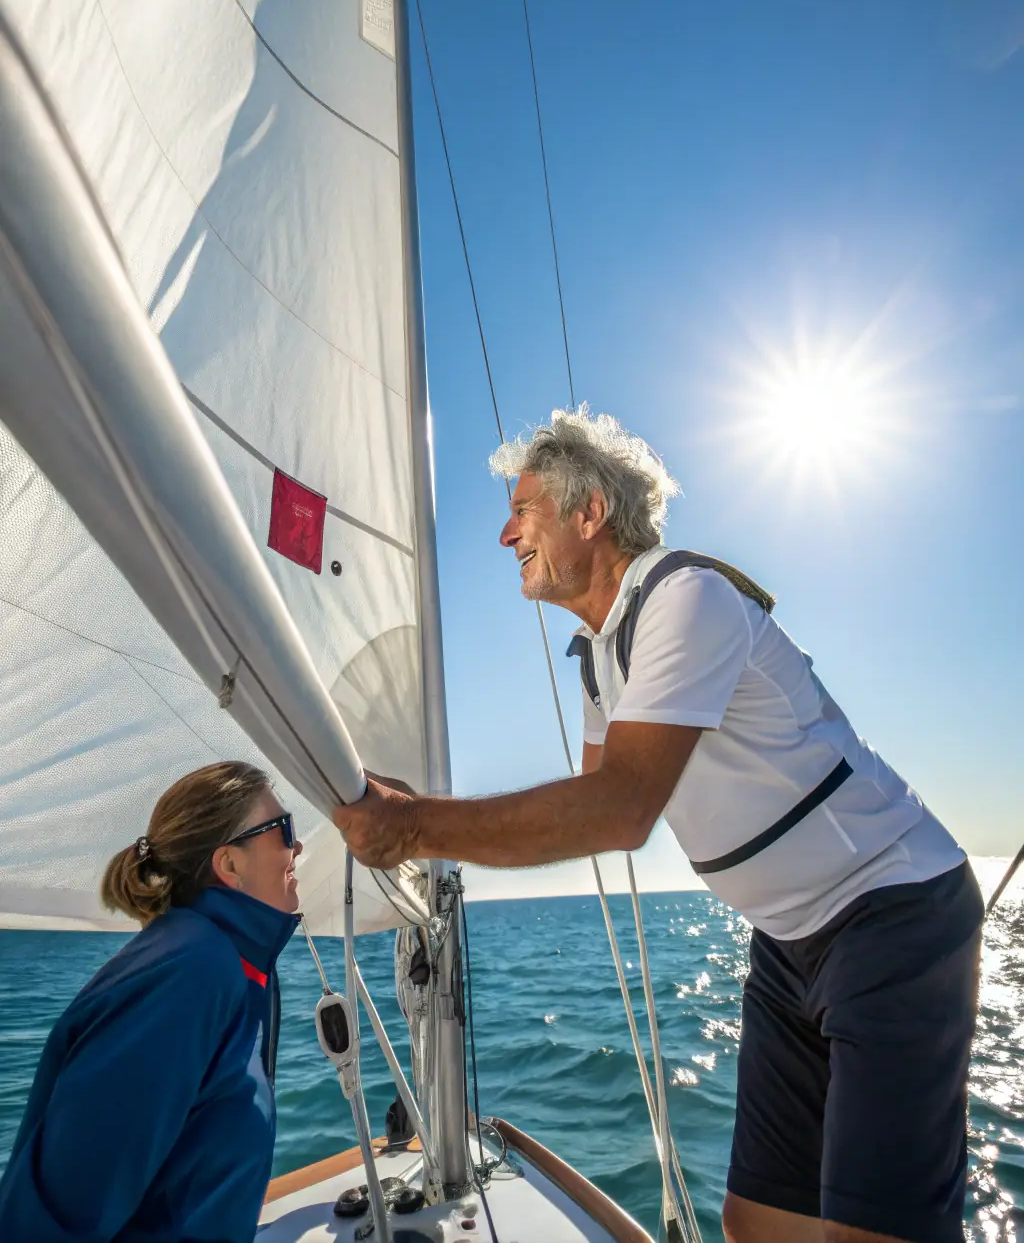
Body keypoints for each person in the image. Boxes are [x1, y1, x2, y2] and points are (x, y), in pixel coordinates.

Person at [334, 407, 983, 1243]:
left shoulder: (685, 596)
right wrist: (414, 817)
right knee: (757, 1221)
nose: (505, 534)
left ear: (588, 514)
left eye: (523, 510)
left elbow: (623, 807)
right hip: (788, 941)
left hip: (895, 913)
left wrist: (415, 826)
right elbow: (594, 808)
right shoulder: (602, 654)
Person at [0, 760, 303, 1243]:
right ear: (229, 864)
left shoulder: (228, 963)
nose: (298, 845)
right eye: (284, 829)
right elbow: (57, 1218)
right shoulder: (189, 974)